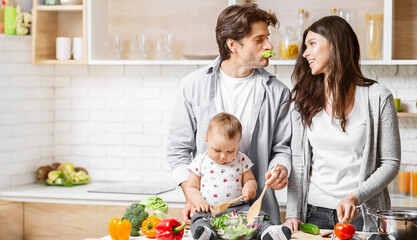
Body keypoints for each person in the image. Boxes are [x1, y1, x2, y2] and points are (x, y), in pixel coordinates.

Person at [166, 3, 292, 226]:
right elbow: (178, 151)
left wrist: (281, 167)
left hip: (258, 211)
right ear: (232, 44)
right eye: (259, 39)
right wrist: (192, 195)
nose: (269, 45)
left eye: (268, 37)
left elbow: (282, 148)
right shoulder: (193, 86)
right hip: (208, 211)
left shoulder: (278, 92)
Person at [284, 15, 401, 232]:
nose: (305, 53)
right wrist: (293, 213)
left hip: (361, 214)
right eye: (305, 46)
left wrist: (355, 197)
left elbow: (390, 163)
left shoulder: (377, 97)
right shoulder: (303, 99)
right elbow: (298, 163)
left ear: (335, 44)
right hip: (313, 214)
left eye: (312, 44)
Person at [187, 112, 291, 240]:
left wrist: (249, 187)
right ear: (207, 141)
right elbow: (191, 187)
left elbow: (250, 180)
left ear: (237, 144)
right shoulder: (200, 161)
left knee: (259, 216)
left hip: (239, 209)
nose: (223, 156)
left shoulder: (241, 160)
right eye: (217, 150)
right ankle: (206, 233)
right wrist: (199, 202)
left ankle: (269, 231)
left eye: (230, 151)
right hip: (210, 209)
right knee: (198, 219)